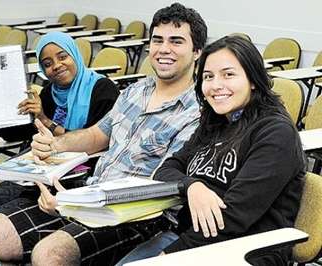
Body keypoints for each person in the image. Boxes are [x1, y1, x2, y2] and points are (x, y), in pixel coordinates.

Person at [0, 3, 208, 265]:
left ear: (197, 52)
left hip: (133, 214)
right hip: (89, 191)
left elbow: (162, 186)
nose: (164, 49)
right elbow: (95, 135)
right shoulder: (135, 92)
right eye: (158, 40)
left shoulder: (198, 112)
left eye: (176, 41)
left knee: (49, 254)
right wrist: (54, 145)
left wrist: (73, 203)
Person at [116, 36, 305, 266]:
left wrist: (169, 256)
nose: (216, 85)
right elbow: (165, 170)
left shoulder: (276, 133)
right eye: (208, 76)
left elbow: (233, 217)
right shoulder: (214, 122)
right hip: (190, 238)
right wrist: (193, 186)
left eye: (229, 74)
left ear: (253, 79)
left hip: (244, 249)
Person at [0, 31, 119, 228]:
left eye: (63, 57)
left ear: (75, 54)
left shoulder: (103, 90)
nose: (56, 66)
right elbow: (18, 133)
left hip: (77, 179)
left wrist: (44, 119)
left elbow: (95, 143)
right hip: (39, 171)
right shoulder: (49, 92)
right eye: (47, 64)